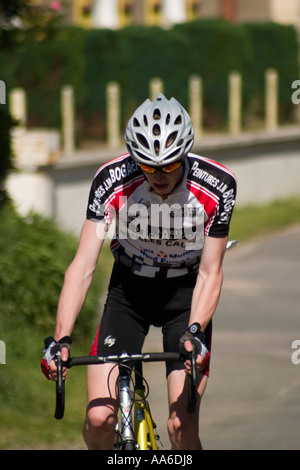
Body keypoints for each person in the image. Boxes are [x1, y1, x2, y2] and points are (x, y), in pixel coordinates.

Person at [41, 94, 237, 450]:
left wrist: (195, 331)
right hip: (129, 295)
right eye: (147, 166)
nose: (159, 176)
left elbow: (211, 272)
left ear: (185, 154)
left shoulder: (217, 186)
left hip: (186, 298)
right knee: (100, 420)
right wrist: (62, 339)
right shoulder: (112, 180)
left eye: (168, 165)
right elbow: (83, 265)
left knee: (182, 426)